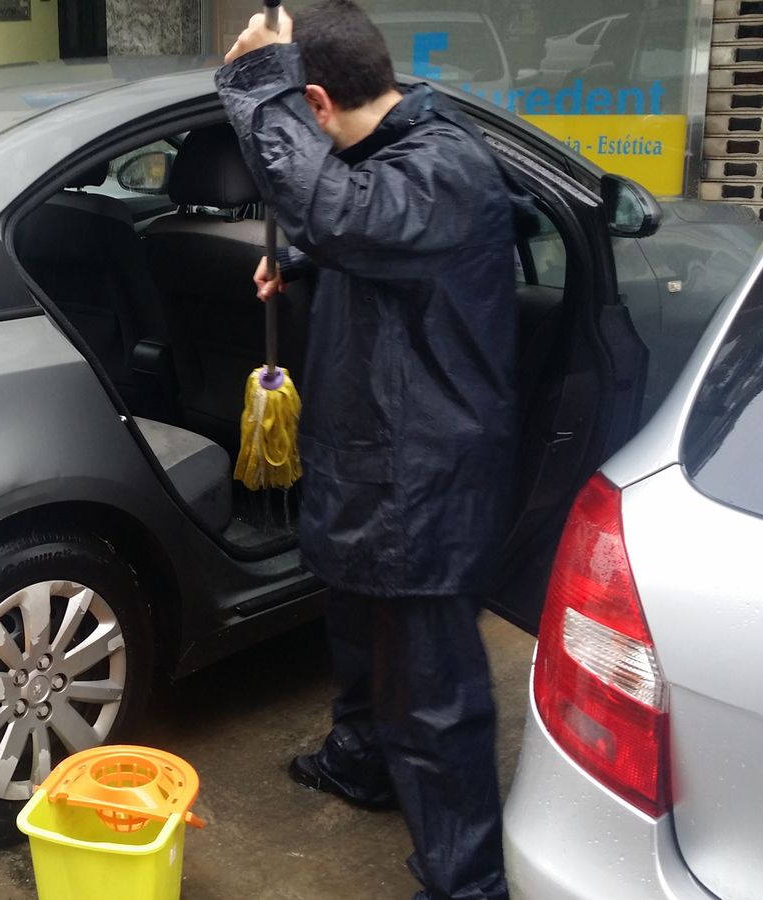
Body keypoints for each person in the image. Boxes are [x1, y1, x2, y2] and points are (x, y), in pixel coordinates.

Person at [217, 4, 526, 899]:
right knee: (356, 632)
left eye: (295, 119)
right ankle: (363, 763)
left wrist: (255, 86)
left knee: (434, 699)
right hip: (371, 459)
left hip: (424, 477)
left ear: (314, 102)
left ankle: (465, 881)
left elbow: (357, 213)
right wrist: (309, 258)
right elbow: (358, 223)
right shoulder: (391, 162)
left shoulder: (440, 165)